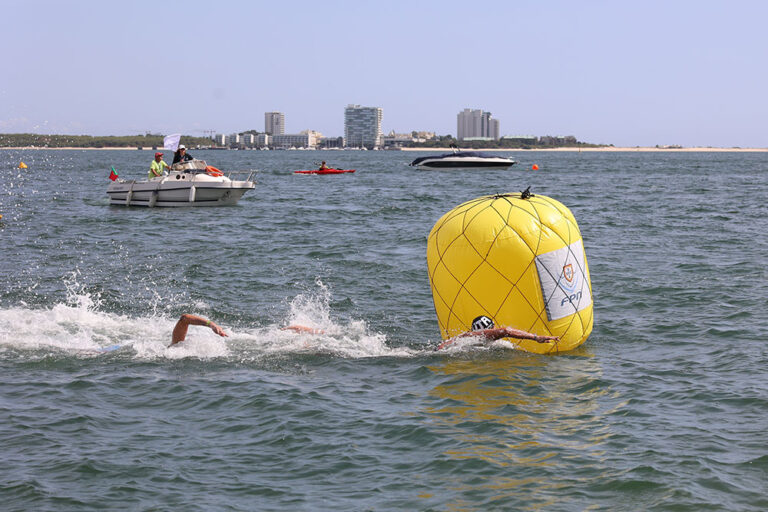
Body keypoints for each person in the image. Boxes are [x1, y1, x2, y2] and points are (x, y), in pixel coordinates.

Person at [435, 315, 559, 350]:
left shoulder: (467, 335)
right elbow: (506, 331)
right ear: (491, 328)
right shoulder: (485, 336)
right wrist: (536, 337)